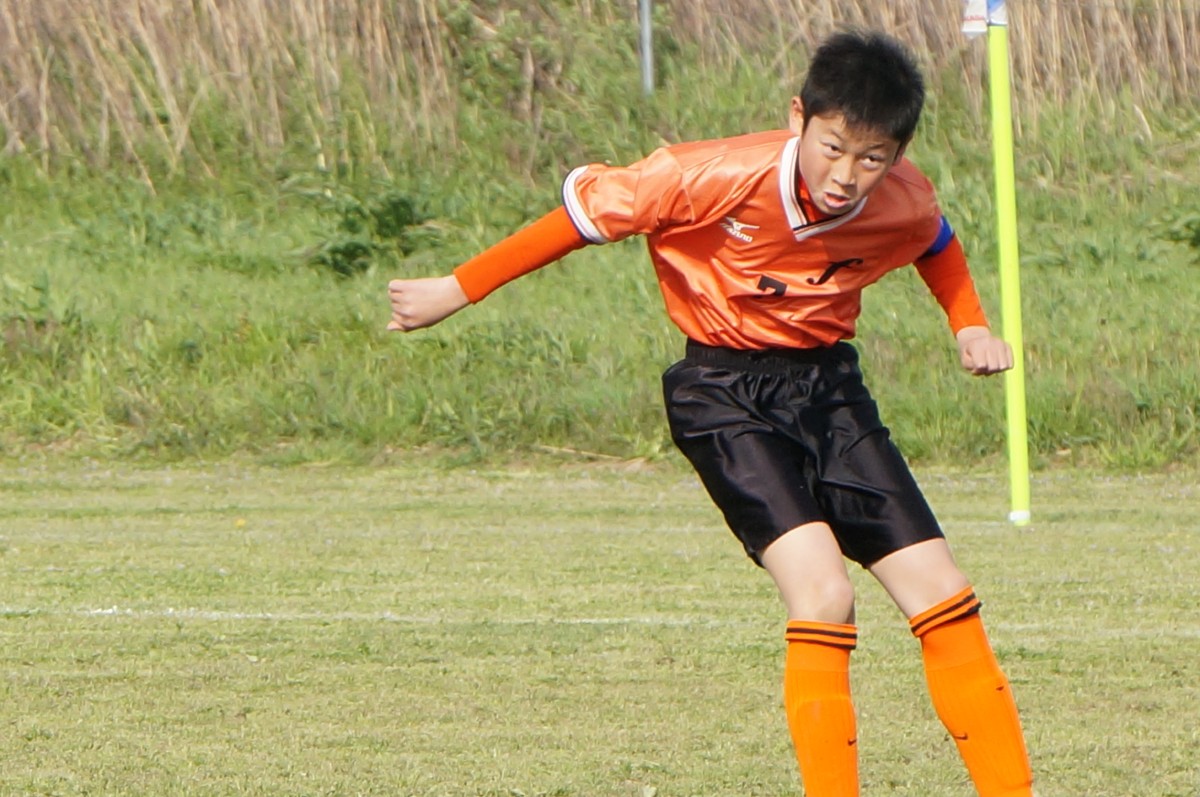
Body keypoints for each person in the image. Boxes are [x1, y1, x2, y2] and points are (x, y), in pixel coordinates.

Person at [387, 29, 1034, 797]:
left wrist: (968, 325)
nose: (846, 176)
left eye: (872, 158)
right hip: (722, 394)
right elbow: (582, 218)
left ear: (897, 156)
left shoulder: (903, 196)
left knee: (943, 592)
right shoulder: (707, 175)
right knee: (824, 593)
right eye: (833, 148)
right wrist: (455, 289)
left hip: (831, 392)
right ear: (798, 118)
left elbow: (936, 242)